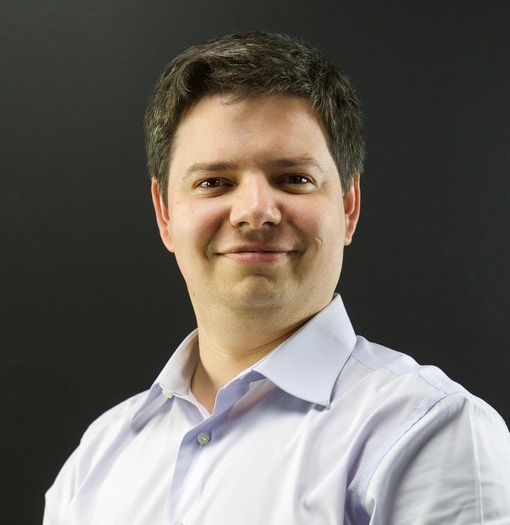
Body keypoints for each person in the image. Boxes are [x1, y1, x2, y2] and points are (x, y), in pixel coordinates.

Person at [44, 32, 510, 524]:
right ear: (165, 214)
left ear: (348, 207)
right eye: (213, 182)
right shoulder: (95, 461)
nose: (254, 211)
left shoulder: (430, 431)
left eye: (294, 179)